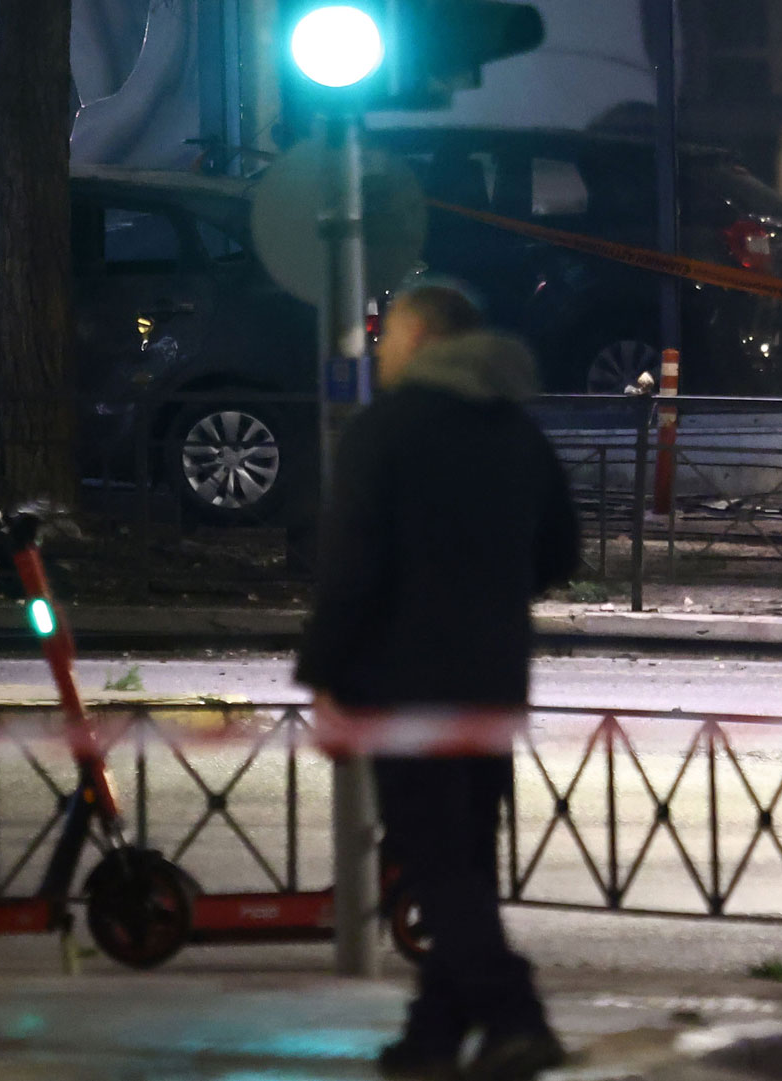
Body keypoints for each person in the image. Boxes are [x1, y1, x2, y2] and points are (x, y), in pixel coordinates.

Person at [295, 285, 577, 1081]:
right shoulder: (516, 431)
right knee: (465, 861)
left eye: (389, 336)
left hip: (404, 683)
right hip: (492, 680)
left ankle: (516, 1016)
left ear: (420, 338)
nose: (380, 350)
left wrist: (324, 676)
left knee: (433, 862)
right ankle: (433, 1035)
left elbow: (350, 570)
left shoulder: (383, 433)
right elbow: (561, 548)